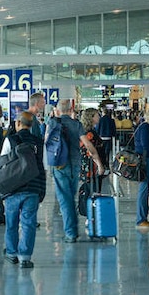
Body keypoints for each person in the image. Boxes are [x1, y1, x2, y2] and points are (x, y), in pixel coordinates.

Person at [45, 99, 102, 243]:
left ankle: (71, 233)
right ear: (71, 110)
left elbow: (46, 141)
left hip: (59, 165)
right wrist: (98, 162)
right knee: (71, 196)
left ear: (57, 110)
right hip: (75, 165)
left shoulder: (53, 123)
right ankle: (73, 229)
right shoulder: (77, 124)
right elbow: (88, 145)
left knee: (65, 199)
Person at [0, 112, 46, 269]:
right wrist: (41, 190)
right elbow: (41, 167)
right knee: (29, 223)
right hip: (33, 187)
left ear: (18, 123)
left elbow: (1, 164)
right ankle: (25, 257)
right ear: (31, 125)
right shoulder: (38, 142)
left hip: (13, 187)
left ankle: (11, 253)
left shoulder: (10, 140)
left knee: (11, 222)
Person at [78, 108, 108, 195]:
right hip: (92, 167)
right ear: (91, 118)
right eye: (97, 115)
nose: (99, 117)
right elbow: (91, 151)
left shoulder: (85, 131)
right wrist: (100, 165)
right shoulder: (90, 134)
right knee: (94, 191)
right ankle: (91, 208)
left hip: (88, 167)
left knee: (90, 189)